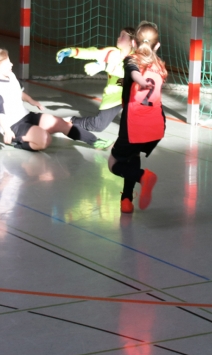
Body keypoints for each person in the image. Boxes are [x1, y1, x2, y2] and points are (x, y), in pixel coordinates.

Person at [0, 48, 88, 151]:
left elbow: (18, 92)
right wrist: (7, 131)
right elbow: (0, 115)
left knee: (61, 123)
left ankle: (94, 142)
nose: (11, 64)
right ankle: (17, 142)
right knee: (45, 140)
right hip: (13, 125)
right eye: (7, 63)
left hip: (26, 116)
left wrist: (31, 101)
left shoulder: (10, 75)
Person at [107, 21, 167, 213]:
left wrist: (139, 80)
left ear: (134, 43)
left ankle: (143, 176)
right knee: (133, 155)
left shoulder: (131, 60)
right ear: (157, 46)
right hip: (157, 125)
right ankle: (126, 200)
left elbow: (134, 71)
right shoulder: (160, 66)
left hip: (134, 124)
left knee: (114, 163)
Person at [56, 27, 135, 148]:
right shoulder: (112, 53)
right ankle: (70, 121)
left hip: (133, 97)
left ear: (131, 42)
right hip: (114, 97)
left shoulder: (137, 58)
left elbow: (129, 73)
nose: (118, 38)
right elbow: (91, 52)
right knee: (98, 125)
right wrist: (71, 51)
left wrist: (104, 66)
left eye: (123, 36)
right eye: (119, 35)